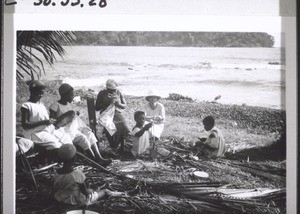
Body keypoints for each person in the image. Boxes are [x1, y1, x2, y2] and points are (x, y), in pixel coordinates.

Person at [49, 83, 111, 166]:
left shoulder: (69, 105)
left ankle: (99, 157)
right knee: (83, 138)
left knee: (89, 133)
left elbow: (72, 118)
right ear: (64, 95)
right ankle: (94, 161)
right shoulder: (55, 105)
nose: (72, 97)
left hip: (72, 129)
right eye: (71, 95)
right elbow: (52, 122)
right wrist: (67, 115)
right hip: (63, 131)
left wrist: (75, 115)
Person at [53, 144, 123, 206]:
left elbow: (55, 188)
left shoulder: (56, 173)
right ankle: (123, 194)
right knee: (105, 191)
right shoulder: (77, 174)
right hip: (76, 201)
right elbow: (85, 193)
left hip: (60, 198)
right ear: (75, 158)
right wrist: (90, 191)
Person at [20, 80, 72, 151]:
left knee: (66, 139)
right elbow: (25, 125)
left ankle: (67, 159)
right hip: (35, 133)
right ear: (32, 92)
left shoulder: (41, 105)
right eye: (38, 94)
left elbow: (45, 120)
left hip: (46, 130)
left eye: (42, 94)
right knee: (56, 145)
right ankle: (44, 158)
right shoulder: (26, 106)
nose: (40, 96)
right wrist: (44, 122)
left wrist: (51, 122)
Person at [95, 79, 130, 155]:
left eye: (114, 90)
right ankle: (113, 147)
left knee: (122, 125)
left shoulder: (118, 93)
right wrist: (107, 104)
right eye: (110, 90)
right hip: (106, 114)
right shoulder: (102, 93)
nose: (113, 92)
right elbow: (96, 107)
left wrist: (118, 104)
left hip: (116, 112)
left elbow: (124, 105)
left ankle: (115, 147)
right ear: (107, 89)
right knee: (108, 127)